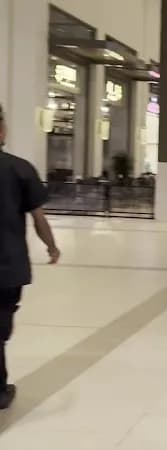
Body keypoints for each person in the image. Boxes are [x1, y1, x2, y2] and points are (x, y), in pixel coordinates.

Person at [0, 103, 60, 409]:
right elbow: (38, 217)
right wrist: (51, 246)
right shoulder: (20, 168)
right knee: (0, 325)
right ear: (2, 129)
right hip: (7, 266)